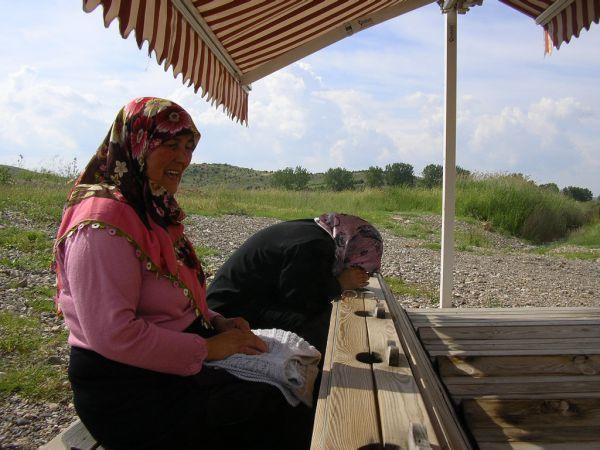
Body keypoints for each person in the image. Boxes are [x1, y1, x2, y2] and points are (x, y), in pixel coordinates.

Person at [54, 97, 311, 450]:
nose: (183, 158)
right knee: (278, 413)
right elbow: (112, 335)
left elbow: (174, 297)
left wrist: (215, 321)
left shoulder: (151, 208)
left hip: (167, 369)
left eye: (188, 147)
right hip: (128, 392)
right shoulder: (101, 223)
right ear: (138, 143)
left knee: (293, 390)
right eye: (170, 144)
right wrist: (208, 348)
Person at [207, 213, 384, 354]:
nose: (360, 270)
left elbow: (298, 284)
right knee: (322, 323)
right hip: (227, 314)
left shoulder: (318, 232)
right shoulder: (314, 245)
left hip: (242, 301)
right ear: (352, 247)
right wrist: (340, 284)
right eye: (359, 263)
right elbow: (299, 300)